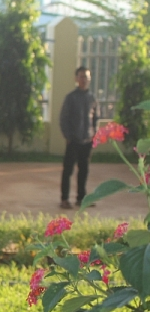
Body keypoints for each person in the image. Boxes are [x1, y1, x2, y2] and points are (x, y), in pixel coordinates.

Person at [59, 66, 98, 209]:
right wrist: (68, 136)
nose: (84, 80)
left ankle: (81, 198)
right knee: (68, 170)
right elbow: (63, 119)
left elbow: (96, 118)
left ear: (89, 79)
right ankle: (64, 199)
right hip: (73, 140)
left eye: (86, 77)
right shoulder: (71, 98)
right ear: (76, 79)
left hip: (87, 140)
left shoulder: (92, 98)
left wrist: (95, 135)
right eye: (81, 77)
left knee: (84, 171)